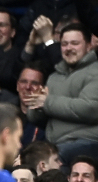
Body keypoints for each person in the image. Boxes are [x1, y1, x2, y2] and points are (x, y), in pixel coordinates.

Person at [25, 24, 98, 164]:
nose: (69, 48)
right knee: (26, 158)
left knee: (54, 160)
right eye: (64, 44)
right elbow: (37, 119)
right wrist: (37, 106)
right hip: (56, 144)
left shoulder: (95, 72)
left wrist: (47, 102)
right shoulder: (54, 77)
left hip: (88, 142)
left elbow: (90, 108)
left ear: (89, 46)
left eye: (75, 43)